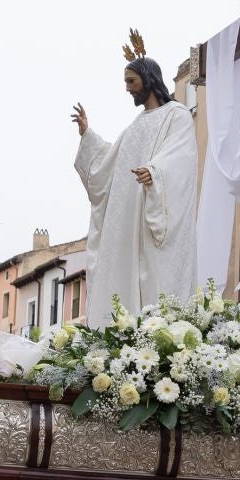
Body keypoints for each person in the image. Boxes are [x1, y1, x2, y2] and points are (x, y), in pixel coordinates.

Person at [71, 34, 198, 321]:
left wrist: (155, 172)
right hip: (130, 220)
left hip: (154, 213)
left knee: (154, 282)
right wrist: (87, 136)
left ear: (148, 79)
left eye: (131, 82)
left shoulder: (176, 115)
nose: (128, 89)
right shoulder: (135, 126)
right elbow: (108, 163)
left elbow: (182, 156)